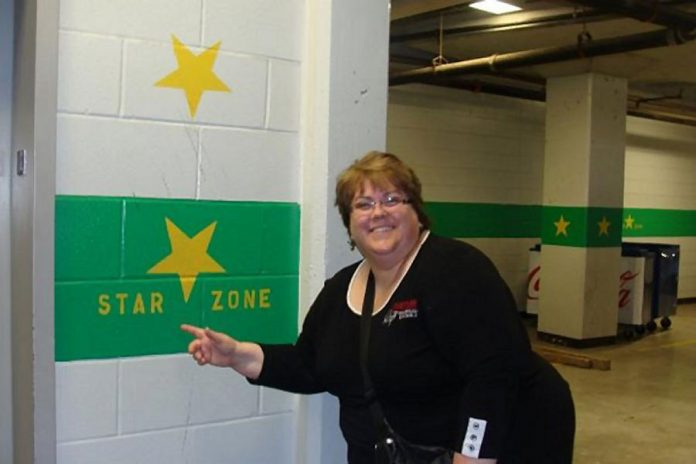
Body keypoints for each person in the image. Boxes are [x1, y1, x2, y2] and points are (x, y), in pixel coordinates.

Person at [181, 151, 575, 464]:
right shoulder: (342, 289)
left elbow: (493, 377)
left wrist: (471, 458)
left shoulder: (456, 271)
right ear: (350, 224)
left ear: (416, 212)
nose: (378, 212)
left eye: (391, 199)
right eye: (363, 204)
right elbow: (311, 365)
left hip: (502, 444)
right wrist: (237, 355)